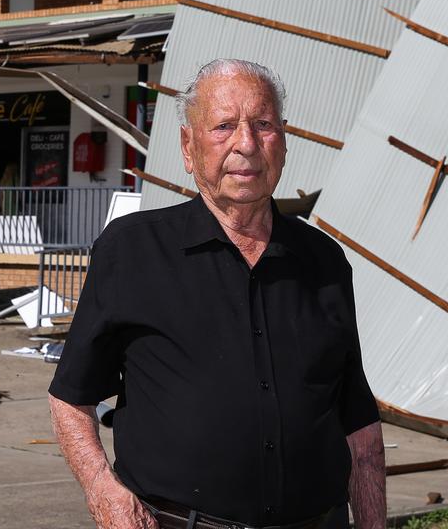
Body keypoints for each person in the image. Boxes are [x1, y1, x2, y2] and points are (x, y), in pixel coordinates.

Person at [49, 59, 385, 529]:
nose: (246, 144)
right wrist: (103, 491)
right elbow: (71, 398)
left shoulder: (324, 262)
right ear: (189, 147)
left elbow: (359, 424)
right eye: (224, 126)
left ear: (284, 143)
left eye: (263, 125)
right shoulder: (132, 252)